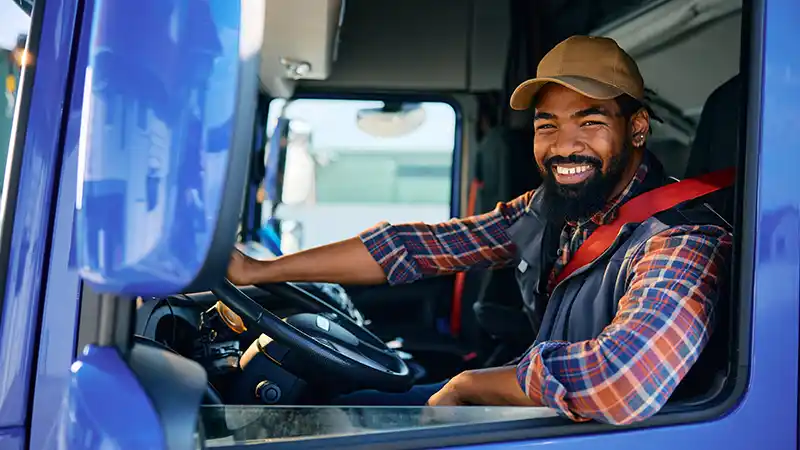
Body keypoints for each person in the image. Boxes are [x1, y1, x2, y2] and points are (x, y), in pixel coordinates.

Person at [227, 35, 732, 425]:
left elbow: (622, 382)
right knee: (335, 409)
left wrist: (471, 384)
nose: (563, 145)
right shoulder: (550, 210)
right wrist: (258, 270)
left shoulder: (681, 239)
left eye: (590, 121)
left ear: (637, 128)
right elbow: (416, 249)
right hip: (547, 419)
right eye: (546, 125)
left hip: (599, 434)